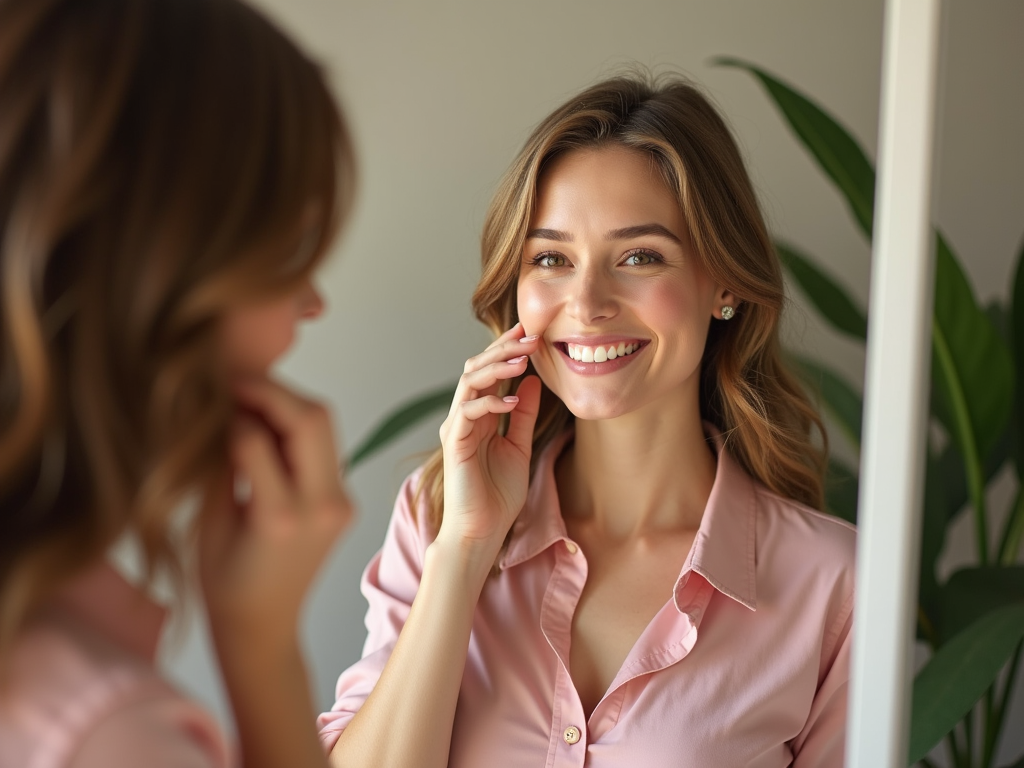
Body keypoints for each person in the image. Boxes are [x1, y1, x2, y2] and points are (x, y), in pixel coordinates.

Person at [319, 73, 856, 768]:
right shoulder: (436, 519)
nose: (587, 300)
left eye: (639, 257)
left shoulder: (832, 585)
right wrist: (463, 552)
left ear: (723, 282)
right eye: (551, 259)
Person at [0, 0, 356, 766]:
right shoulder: (108, 739)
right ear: (154, 272)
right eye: (289, 246)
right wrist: (262, 655)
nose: (313, 302)